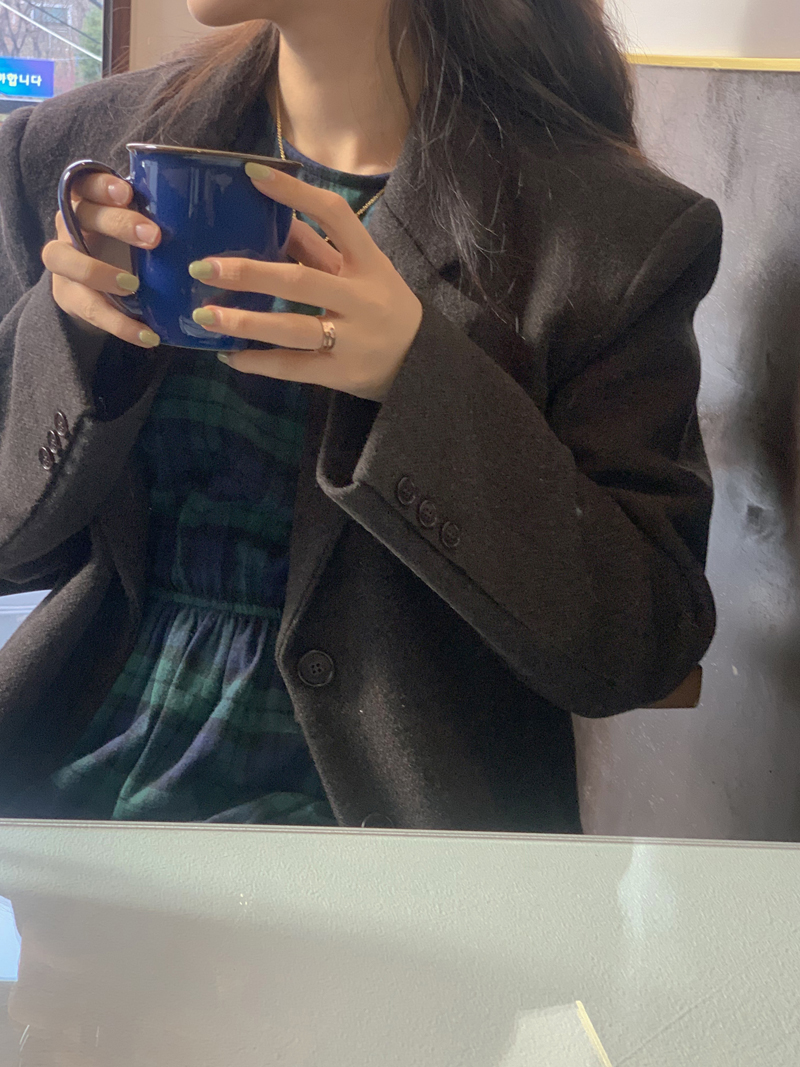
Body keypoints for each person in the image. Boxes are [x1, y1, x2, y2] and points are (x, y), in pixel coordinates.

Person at [0, 0, 721, 833]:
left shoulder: (614, 234)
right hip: (60, 802)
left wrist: (417, 379)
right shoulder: (74, 156)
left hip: (396, 846)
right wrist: (73, 337)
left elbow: (638, 644)